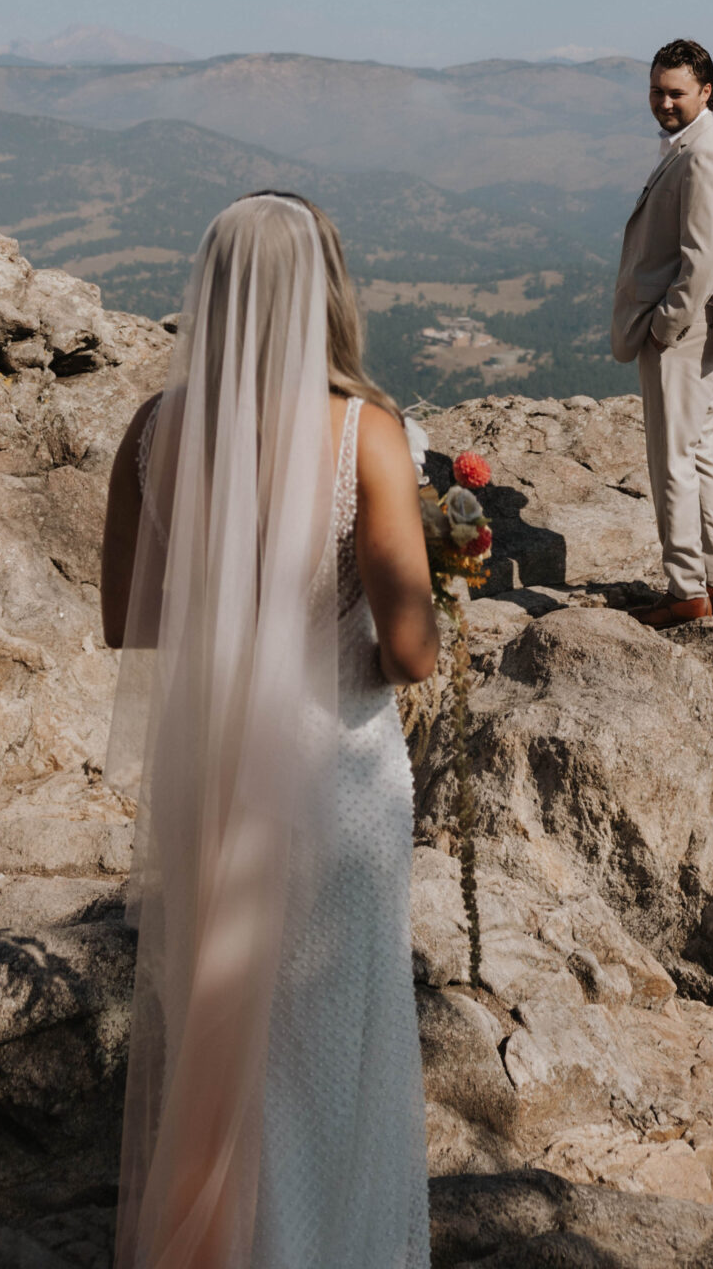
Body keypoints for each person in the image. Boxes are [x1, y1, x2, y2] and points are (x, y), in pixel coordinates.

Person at [100, 191, 438, 1269]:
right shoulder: (364, 436)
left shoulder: (154, 432)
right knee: (332, 1064)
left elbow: (130, 618)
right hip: (334, 782)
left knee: (224, 1044)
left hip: (212, 774)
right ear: (325, 293)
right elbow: (413, 649)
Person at [609, 38, 713, 629]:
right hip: (709, 321)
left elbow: (703, 256)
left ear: (707, 91)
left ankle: (685, 589)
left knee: (673, 458)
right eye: (656, 91)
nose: (663, 102)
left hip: (687, 327)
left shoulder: (703, 153)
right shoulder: (701, 142)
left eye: (676, 93)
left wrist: (665, 326)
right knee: (700, 450)